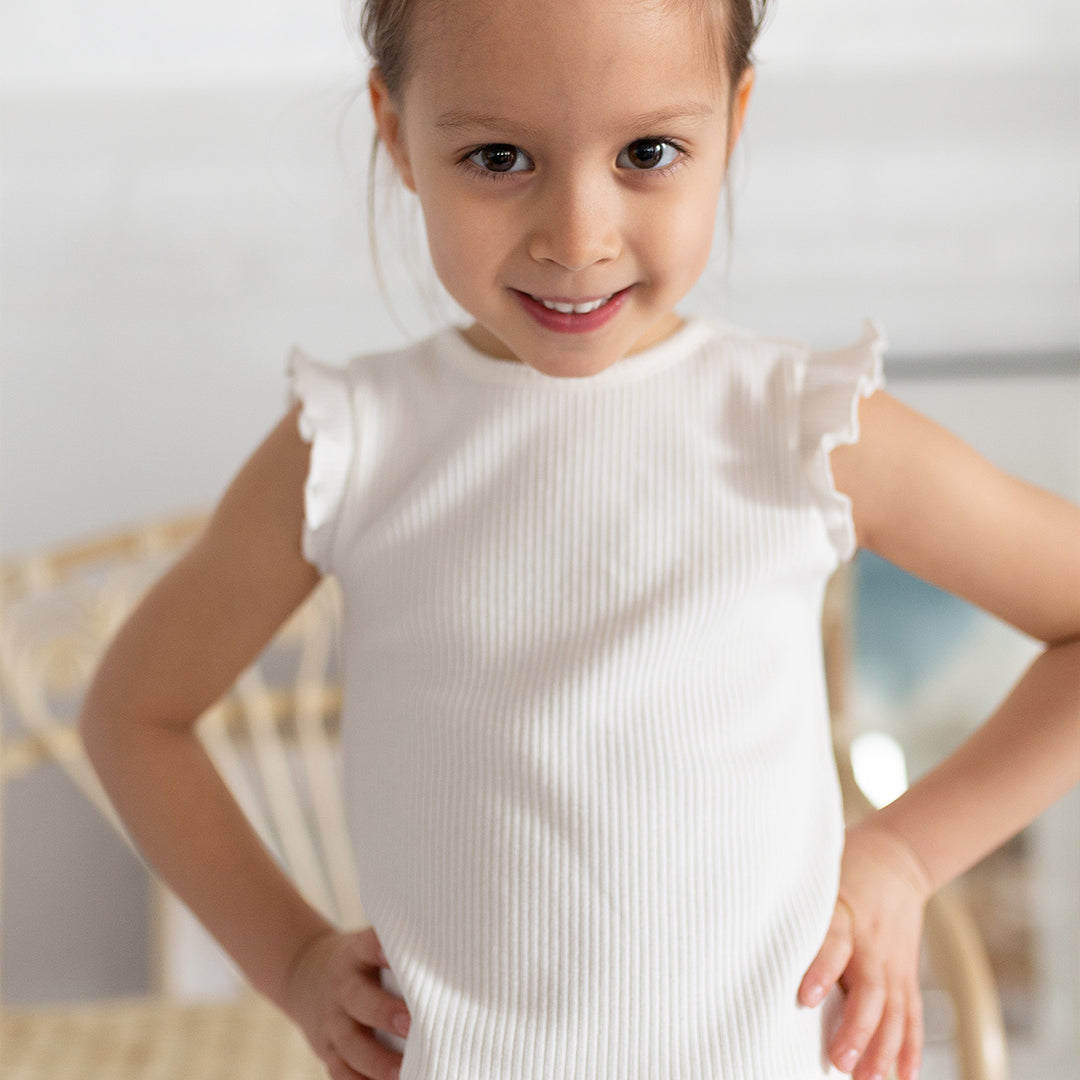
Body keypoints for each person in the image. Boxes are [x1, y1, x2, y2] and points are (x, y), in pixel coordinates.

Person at [78, 1, 1080, 1078]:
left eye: (648, 152)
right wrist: (295, 964)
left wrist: (904, 854)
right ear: (394, 131)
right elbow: (135, 716)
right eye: (498, 156)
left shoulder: (801, 427)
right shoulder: (354, 447)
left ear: (733, 123)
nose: (578, 236)